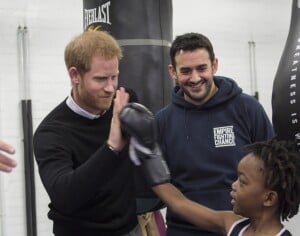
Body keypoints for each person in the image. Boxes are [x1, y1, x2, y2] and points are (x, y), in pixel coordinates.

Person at [155, 32, 275, 235]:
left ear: (214, 65)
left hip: (244, 228)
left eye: (201, 68)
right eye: (185, 71)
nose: (194, 78)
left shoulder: (248, 109)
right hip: (184, 230)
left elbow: (274, 172)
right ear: (172, 72)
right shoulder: (162, 121)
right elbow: (158, 184)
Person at [119, 103, 298, 236]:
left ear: (269, 198)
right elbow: (179, 203)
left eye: (242, 182)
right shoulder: (233, 224)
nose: (233, 185)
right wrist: (148, 152)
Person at [33, 31, 142, 236]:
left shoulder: (123, 100)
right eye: (100, 79)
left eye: (114, 77)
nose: (110, 88)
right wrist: (111, 147)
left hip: (129, 228)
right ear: (75, 75)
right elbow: (65, 196)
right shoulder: (51, 133)